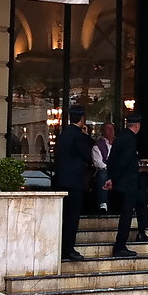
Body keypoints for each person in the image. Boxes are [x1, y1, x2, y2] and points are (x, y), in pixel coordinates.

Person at [105, 113, 147, 257]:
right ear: (137, 125)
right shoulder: (130, 139)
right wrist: (115, 179)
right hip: (128, 182)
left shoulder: (120, 138)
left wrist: (112, 178)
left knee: (137, 205)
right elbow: (125, 162)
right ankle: (120, 245)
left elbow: (111, 161)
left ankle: (141, 233)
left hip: (120, 182)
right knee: (126, 215)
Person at [54, 106, 91, 262]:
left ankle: (61, 247)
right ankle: (68, 249)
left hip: (61, 179)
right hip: (75, 181)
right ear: (82, 119)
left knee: (63, 216)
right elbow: (87, 155)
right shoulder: (79, 136)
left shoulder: (63, 135)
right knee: (72, 217)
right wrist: (87, 135)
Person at [91, 122, 115, 214]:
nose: (111, 131)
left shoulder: (118, 143)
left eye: (112, 129)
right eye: (108, 129)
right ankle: (103, 203)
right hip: (105, 170)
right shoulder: (97, 146)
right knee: (102, 175)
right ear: (103, 131)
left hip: (116, 171)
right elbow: (98, 162)